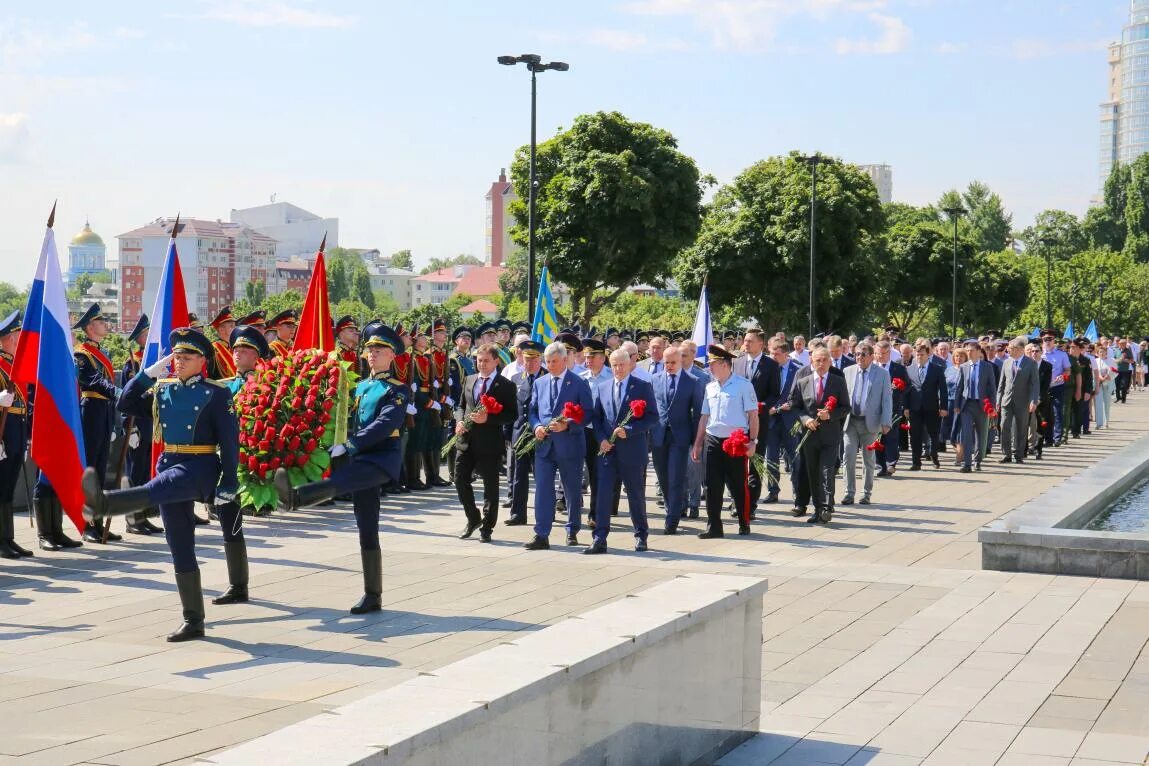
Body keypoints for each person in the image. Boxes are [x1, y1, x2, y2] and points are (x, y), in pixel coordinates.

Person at [82, 328, 240, 641]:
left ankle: (106, 503)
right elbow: (125, 401)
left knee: (161, 485)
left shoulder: (217, 393)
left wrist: (230, 482)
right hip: (170, 461)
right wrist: (147, 375)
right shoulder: (163, 389)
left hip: (201, 465)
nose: (179, 361)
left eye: (187, 357)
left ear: (202, 361)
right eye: (176, 356)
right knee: (179, 543)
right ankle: (193, 619)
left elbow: (230, 442)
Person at [274, 324, 408, 614]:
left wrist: (351, 445)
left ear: (392, 356)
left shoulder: (397, 390)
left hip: (381, 459)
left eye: (379, 350)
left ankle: (298, 497)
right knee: (366, 526)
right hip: (360, 457)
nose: (372, 354)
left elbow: (385, 425)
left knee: (344, 480)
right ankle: (373, 595)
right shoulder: (360, 386)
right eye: (370, 349)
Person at [586, 349, 658, 554]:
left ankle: (641, 535)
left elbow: (652, 417)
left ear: (629, 365)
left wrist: (630, 430)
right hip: (608, 452)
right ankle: (599, 538)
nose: (618, 369)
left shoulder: (642, 387)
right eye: (614, 365)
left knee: (635, 495)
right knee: (603, 495)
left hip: (632, 451)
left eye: (621, 365)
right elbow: (597, 418)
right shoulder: (603, 387)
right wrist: (600, 439)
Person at [524, 341, 594, 550]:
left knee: (572, 490)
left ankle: (572, 529)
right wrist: (536, 426)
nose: (551, 365)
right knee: (543, 490)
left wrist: (568, 425)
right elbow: (533, 411)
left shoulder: (579, 383)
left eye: (554, 361)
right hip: (544, 445)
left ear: (565, 360)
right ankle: (541, 534)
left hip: (569, 445)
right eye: (548, 361)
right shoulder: (540, 382)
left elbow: (588, 412)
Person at [691, 344, 759, 538]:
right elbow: (704, 417)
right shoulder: (710, 387)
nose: (709, 368)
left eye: (712, 364)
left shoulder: (743, 385)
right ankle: (714, 526)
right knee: (712, 485)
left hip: (735, 440)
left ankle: (743, 522)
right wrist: (698, 443)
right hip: (713, 439)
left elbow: (753, 415)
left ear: (724, 364)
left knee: (738, 484)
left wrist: (753, 441)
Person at [453, 343, 516, 543]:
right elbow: (461, 405)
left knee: (490, 487)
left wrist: (488, 419)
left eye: (486, 361)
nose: (482, 364)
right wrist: (459, 421)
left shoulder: (505, 385)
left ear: (496, 361)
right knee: (459, 478)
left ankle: (487, 527)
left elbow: (511, 414)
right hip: (466, 440)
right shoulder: (470, 379)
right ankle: (473, 518)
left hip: (489, 443)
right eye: (479, 360)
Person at [72, 303, 122, 543]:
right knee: (90, 468)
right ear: (90, 327)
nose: (105, 325)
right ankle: (86, 524)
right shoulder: (82, 353)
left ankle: (99, 522)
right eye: (101, 322)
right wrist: (118, 392)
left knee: (101, 469)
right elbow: (92, 381)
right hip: (91, 411)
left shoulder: (103, 352)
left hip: (105, 412)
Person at [789, 347, 850, 524]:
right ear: (812, 362)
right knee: (813, 472)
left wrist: (830, 415)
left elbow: (846, 407)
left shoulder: (837, 381)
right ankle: (817, 508)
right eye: (818, 360)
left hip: (830, 435)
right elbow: (796, 407)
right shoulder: (803, 382)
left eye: (824, 360)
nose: (821, 364)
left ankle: (826, 507)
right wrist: (806, 419)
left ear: (830, 362)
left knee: (827, 470)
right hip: (810, 435)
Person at [119, 313, 165, 536]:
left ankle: (143, 516)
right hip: (137, 426)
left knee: (146, 473)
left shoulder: (154, 364)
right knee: (134, 474)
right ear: (139, 338)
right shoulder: (133, 363)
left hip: (151, 425)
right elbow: (128, 400)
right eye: (147, 334)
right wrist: (132, 428)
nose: (150, 337)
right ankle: (132, 519)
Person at [650, 346, 703, 535]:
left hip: (680, 437)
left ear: (681, 361)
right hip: (659, 436)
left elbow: (698, 414)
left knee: (675, 477)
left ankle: (671, 519)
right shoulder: (654, 380)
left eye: (673, 362)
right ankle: (673, 505)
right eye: (666, 363)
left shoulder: (692, 382)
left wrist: (697, 441)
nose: (669, 366)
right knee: (663, 477)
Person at [733, 329, 780, 517]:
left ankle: (750, 505)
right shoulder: (737, 363)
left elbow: (775, 393)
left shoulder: (770, 365)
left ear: (761, 344)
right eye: (745, 340)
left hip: (758, 421)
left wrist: (761, 406)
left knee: (755, 462)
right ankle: (738, 501)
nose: (746, 344)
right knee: (736, 463)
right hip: (737, 420)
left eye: (750, 341)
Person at [841, 341, 891, 506]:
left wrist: (886, 422)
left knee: (868, 459)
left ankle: (866, 493)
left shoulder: (882, 374)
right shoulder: (847, 371)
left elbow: (886, 400)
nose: (859, 357)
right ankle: (849, 493)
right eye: (856, 354)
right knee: (848, 456)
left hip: (870, 423)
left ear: (871, 356)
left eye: (863, 354)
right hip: (851, 421)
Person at [0, 311, 31, 558]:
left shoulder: (14, 365)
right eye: (18, 336)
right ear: (8, 339)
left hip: (17, 426)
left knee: (9, 485)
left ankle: (8, 538)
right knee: (1, 485)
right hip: (4, 429)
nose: (21, 341)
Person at [506, 340, 544, 527]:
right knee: (518, 476)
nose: (529, 364)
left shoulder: (546, 378)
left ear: (540, 359)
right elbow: (512, 410)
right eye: (526, 359)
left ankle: (545, 512)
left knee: (541, 477)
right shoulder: (516, 379)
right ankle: (518, 513)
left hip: (540, 435)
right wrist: (508, 435)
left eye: (533, 360)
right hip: (519, 434)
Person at [763, 339, 802, 505]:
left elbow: (802, 396)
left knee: (794, 457)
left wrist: (790, 405)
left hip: (791, 420)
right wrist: (767, 408)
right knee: (770, 458)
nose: (773, 356)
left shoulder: (798, 370)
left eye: (776, 354)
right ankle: (773, 491)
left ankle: (798, 491)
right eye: (771, 353)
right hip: (771, 420)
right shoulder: (766, 368)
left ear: (786, 354)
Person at [905, 341, 948, 470]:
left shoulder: (937, 369)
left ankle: (934, 456)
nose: (919, 357)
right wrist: (906, 407)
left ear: (928, 355)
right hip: (915, 408)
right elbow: (907, 390)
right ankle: (916, 462)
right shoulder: (909, 369)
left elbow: (943, 389)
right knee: (915, 435)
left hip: (932, 407)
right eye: (917, 355)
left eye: (922, 355)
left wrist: (944, 407)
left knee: (933, 434)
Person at [997, 336, 1040, 464]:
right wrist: (998, 401)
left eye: (1011, 348)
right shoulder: (1006, 362)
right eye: (1008, 348)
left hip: (1023, 401)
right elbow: (1001, 384)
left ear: (1020, 349)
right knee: (1004, 426)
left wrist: (1033, 400)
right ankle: (1006, 454)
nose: (1008, 351)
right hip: (1007, 400)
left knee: (1021, 428)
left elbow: (1035, 384)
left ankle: (1019, 454)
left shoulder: (1031, 363)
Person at [956, 340, 996, 473]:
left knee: (981, 434)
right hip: (967, 404)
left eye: (971, 350)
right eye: (967, 350)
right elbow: (959, 387)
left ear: (979, 352)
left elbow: (992, 388)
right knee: (966, 434)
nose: (969, 353)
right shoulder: (964, 367)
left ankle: (977, 461)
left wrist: (992, 406)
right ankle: (967, 463)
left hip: (982, 405)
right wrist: (957, 404)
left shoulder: (987, 367)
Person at [872, 340, 909, 476]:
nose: (880, 356)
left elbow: (908, 386)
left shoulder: (898, 368)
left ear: (889, 353)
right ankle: (879, 465)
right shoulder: (871, 368)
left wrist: (899, 389)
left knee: (891, 436)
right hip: (875, 409)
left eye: (883, 353)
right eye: (877, 353)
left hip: (893, 408)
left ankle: (890, 463)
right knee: (877, 437)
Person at [1041, 331, 1072, 446]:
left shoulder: (1061, 354)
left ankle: (1057, 437)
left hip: (1057, 386)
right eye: (1045, 339)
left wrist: (1063, 376)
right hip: (1043, 388)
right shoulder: (1038, 354)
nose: (1048, 341)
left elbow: (1068, 370)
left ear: (1054, 340)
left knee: (1057, 412)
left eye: (1050, 339)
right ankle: (1046, 438)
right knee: (1044, 414)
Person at [208, 306, 237, 379]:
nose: (235, 329)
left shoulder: (234, 348)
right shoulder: (213, 350)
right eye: (231, 326)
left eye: (233, 326)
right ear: (221, 329)